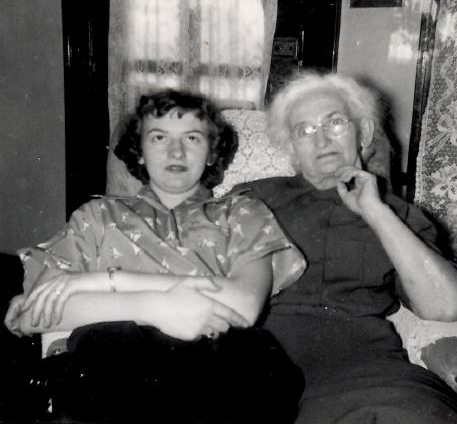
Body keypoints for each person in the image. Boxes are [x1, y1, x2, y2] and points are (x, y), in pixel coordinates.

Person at [3, 90, 306, 423]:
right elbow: (33, 315)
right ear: (140, 151)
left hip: (217, 366)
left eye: (192, 138)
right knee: (106, 345)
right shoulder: (98, 216)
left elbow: (244, 306)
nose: (176, 151)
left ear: (210, 153)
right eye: (159, 137)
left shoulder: (242, 212)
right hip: (118, 364)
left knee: (258, 359)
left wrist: (105, 281)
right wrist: (153, 308)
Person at [233, 72, 457, 423]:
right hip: (255, 365)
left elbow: (445, 307)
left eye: (335, 122)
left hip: (364, 369)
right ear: (293, 150)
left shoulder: (399, 215)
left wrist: (376, 212)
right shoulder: (253, 198)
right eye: (304, 131)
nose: (322, 140)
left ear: (365, 133)